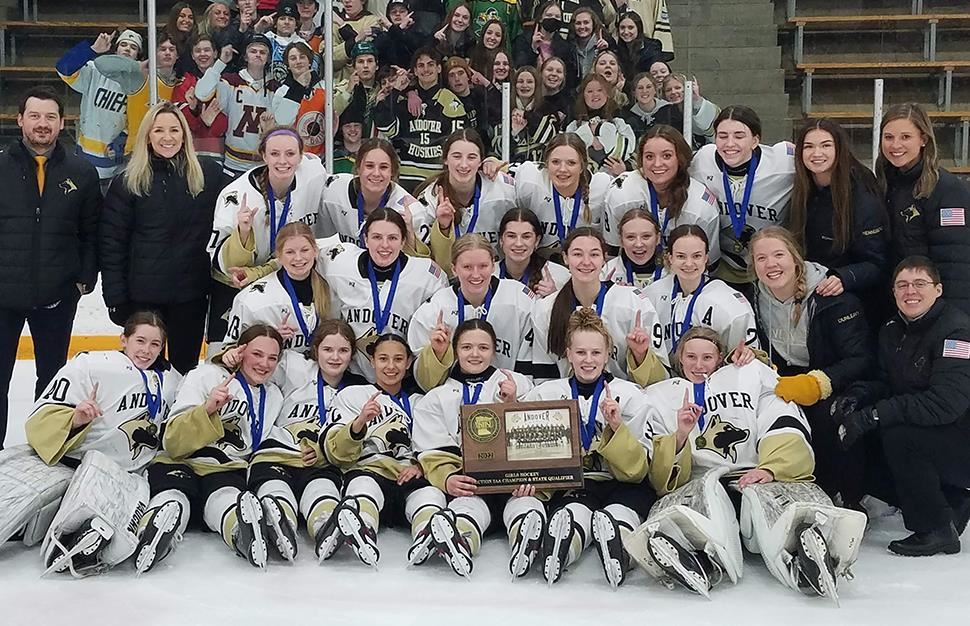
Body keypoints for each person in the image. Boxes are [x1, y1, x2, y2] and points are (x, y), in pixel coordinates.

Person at [630, 326, 865, 602]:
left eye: (707, 357)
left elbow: (779, 413)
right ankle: (692, 556)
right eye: (691, 356)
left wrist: (771, 467)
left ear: (720, 357)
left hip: (755, 475)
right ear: (679, 358)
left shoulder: (746, 376)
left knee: (782, 502)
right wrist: (681, 435)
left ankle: (810, 548)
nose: (698, 364)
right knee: (691, 506)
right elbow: (659, 475)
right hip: (700, 480)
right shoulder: (664, 395)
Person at [23, 313, 179, 575]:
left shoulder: (172, 380)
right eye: (140, 341)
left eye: (155, 344)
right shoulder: (92, 367)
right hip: (80, 466)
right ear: (123, 339)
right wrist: (75, 418)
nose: (147, 350)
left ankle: (97, 536)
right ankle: (72, 535)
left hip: (132, 474)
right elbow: (38, 421)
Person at [834, 256, 970, 556]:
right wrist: (858, 396)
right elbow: (886, 382)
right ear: (893, 292)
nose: (911, 291)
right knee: (863, 442)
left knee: (899, 438)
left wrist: (874, 415)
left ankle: (935, 529)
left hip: (960, 435)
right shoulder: (892, 329)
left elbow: (946, 404)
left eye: (920, 284)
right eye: (903, 285)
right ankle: (950, 500)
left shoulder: (957, 333)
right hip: (934, 433)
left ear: (938, 289)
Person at [132, 325, 286, 572]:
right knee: (173, 495)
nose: (264, 364)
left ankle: (241, 532)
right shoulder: (206, 376)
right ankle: (154, 531)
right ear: (240, 351)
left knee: (225, 497)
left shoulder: (274, 396)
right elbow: (173, 441)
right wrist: (207, 409)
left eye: (272, 358)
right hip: (180, 462)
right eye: (257, 354)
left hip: (225, 469)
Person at [522, 308, 655, 587]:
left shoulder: (631, 395)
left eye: (596, 353)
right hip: (575, 484)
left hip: (622, 483)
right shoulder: (544, 395)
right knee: (572, 512)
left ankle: (620, 551)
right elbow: (522, 449)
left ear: (608, 355)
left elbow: (639, 470)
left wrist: (617, 428)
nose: (588, 360)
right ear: (568, 354)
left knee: (618, 513)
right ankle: (561, 550)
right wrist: (526, 478)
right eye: (581, 353)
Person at [0, 87, 100, 450]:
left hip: (57, 297)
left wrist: (83, 281)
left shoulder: (82, 172)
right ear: (20, 120)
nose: (42, 124)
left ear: (62, 123)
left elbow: (92, 233)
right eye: (35, 116)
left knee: (53, 380)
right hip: (4, 297)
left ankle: (44, 450)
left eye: (50, 117)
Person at [750, 227, 872, 509]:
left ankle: (846, 497)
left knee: (826, 417)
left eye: (778, 255)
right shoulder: (753, 297)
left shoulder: (832, 297)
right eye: (761, 258)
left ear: (795, 258)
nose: (771, 264)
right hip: (786, 379)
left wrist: (819, 383)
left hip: (835, 378)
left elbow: (861, 359)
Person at [100, 102, 222, 375]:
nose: (167, 137)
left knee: (183, 374)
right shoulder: (128, 181)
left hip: (190, 297)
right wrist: (115, 297)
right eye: (159, 130)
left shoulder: (208, 176)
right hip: (142, 298)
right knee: (141, 373)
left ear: (184, 135)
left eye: (174, 130)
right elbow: (111, 244)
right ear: (148, 136)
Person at [409, 319, 533, 576]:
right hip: (469, 484)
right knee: (466, 507)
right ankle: (460, 541)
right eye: (466, 347)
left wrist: (514, 405)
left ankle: (529, 541)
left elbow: (537, 436)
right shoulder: (437, 396)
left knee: (526, 505)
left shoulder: (518, 384)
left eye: (483, 347)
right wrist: (448, 479)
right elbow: (432, 450)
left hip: (512, 483)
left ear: (495, 351)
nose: (475, 354)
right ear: (455, 350)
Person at [241, 319, 368, 561]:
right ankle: (279, 520)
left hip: (321, 464)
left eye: (343, 350)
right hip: (277, 454)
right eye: (328, 349)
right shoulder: (294, 368)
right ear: (315, 350)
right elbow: (255, 364)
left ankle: (326, 524)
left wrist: (323, 451)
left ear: (352, 354)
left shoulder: (359, 391)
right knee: (274, 487)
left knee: (323, 489)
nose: (335, 357)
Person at [209, 128, 327, 353]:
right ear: (263, 156)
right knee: (224, 358)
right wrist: (243, 234)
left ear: (301, 156)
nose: (283, 161)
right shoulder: (235, 196)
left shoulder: (313, 175)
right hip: (235, 289)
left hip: (287, 282)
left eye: (290, 154)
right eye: (274, 154)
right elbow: (225, 267)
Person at [319, 334, 430, 567]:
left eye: (398, 359)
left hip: (407, 478)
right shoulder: (352, 395)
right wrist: (359, 423)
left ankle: (428, 534)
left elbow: (435, 444)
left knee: (430, 496)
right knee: (363, 486)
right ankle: (362, 528)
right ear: (372, 361)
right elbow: (335, 452)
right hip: (368, 472)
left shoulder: (422, 402)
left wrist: (421, 465)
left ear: (409, 363)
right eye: (383, 359)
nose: (391, 366)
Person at [317, 209, 449, 380]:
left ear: (403, 241)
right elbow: (300, 250)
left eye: (392, 238)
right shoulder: (339, 261)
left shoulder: (427, 276)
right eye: (377, 237)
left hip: (400, 378)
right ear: (365, 239)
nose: (384, 245)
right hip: (349, 375)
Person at [532, 228, 667, 384]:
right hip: (570, 402)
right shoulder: (545, 309)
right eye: (577, 254)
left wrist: (640, 355)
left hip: (624, 399)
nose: (586, 261)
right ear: (565, 258)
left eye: (594, 254)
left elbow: (660, 381)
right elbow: (544, 377)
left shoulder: (633, 302)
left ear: (604, 259)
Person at [876, 103, 970, 316]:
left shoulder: (947, 189)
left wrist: (953, 321)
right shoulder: (884, 184)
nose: (895, 145)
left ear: (923, 140)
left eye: (906, 137)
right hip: (901, 304)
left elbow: (956, 264)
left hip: (936, 311)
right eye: (888, 137)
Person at [408, 234, 536, 390]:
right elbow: (425, 383)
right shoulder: (435, 309)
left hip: (504, 398)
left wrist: (517, 392)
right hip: (455, 401)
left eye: (483, 266)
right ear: (454, 269)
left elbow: (531, 367)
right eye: (467, 267)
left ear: (493, 266)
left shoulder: (519, 300)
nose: (476, 274)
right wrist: (436, 354)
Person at [689, 105, 795, 291]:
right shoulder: (701, 160)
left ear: (755, 140)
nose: (729, 143)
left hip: (769, 268)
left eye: (739, 136)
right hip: (719, 269)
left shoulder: (783, 163)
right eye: (722, 136)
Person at [789, 118, 888, 305]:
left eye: (825, 145)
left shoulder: (861, 193)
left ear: (839, 149)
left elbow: (877, 264)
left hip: (855, 299)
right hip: (814, 289)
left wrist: (845, 277)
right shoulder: (802, 187)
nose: (816, 153)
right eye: (809, 146)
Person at [603, 125, 720, 262]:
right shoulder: (621, 194)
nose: (657, 164)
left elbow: (709, 263)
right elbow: (612, 251)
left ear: (680, 158)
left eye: (666, 156)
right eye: (649, 156)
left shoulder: (701, 207)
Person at [487, 132, 609, 257]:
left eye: (571, 163)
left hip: (583, 265)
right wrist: (490, 161)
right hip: (537, 266)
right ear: (546, 163)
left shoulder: (602, 187)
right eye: (555, 162)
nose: (562, 169)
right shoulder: (531, 178)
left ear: (582, 166)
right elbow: (500, 167)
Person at [645, 225, 757, 360]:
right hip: (665, 378)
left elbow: (745, 356)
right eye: (681, 256)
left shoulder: (729, 303)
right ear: (670, 258)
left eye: (696, 256)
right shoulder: (652, 295)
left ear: (706, 258)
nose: (689, 263)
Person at [415, 129, 516, 273]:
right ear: (445, 159)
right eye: (457, 156)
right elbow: (428, 260)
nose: (464, 164)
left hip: (496, 277)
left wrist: (500, 164)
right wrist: (442, 229)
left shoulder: (502, 187)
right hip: (451, 280)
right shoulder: (430, 198)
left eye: (471, 157)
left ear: (481, 160)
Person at [225, 223, 333, 353]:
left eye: (305, 250)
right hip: (274, 371)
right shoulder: (252, 299)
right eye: (290, 252)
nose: (298, 258)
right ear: (279, 256)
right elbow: (232, 349)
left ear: (315, 251)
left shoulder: (331, 286)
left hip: (317, 371)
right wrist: (271, 339)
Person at [374, 46, 469, 192]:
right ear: (415, 71)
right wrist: (397, 91)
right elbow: (385, 126)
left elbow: (458, 144)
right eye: (421, 65)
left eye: (430, 64)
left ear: (438, 68)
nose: (426, 69)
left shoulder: (451, 101)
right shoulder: (402, 99)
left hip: (437, 180)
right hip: (405, 180)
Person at [56, 29, 141, 187]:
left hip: (117, 166)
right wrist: (92, 50)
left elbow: (139, 118)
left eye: (133, 47)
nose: (128, 49)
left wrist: (124, 138)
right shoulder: (95, 70)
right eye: (123, 44)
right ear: (116, 49)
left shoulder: (140, 82)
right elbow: (63, 68)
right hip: (85, 160)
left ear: (138, 55)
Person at [317, 137, 429, 250]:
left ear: (393, 171)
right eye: (369, 166)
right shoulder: (333, 190)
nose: (376, 173)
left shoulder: (411, 211)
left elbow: (424, 260)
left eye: (383, 167)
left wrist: (410, 235)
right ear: (358, 168)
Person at [195, 33, 279, 177]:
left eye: (263, 52)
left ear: (268, 58)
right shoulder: (230, 81)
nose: (258, 55)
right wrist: (220, 63)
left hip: (264, 165)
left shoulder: (276, 88)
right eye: (253, 51)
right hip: (233, 163)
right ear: (245, 56)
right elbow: (201, 93)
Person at [93, 33, 180, 157]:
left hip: (168, 150)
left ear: (177, 56)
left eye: (171, 50)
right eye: (162, 49)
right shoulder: (139, 77)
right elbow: (100, 63)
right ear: (154, 53)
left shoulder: (180, 83)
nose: (167, 53)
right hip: (137, 152)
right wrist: (136, 65)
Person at [173, 34, 229, 164]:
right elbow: (179, 123)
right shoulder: (184, 84)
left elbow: (225, 124)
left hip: (218, 154)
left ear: (215, 53)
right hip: (188, 155)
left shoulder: (225, 84)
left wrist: (209, 124)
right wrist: (195, 113)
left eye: (207, 50)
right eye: (198, 51)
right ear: (192, 56)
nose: (202, 54)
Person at [564, 74, 635, 176]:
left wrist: (624, 168)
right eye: (590, 91)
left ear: (607, 93)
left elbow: (632, 151)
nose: (595, 94)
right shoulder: (574, 124)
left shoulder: (619, 120)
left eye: (599, 90)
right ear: (583, 95)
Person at [493, 208, 571, 294]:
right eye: (511, 236)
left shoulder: (560, 276)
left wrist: (554, 297)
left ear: (537, 241)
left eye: (526, 237)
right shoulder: (488, 275)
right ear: (501, 240)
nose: (519, 243)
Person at [272, 41, 328, 154]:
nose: (298, 61)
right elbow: (282, 123)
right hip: (294, 154)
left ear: (309, 61)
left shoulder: (325, 86)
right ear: (287, 64)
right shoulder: (281, 92)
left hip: (322, 155)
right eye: (293, 58)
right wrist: (297, 89)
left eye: (302, 57)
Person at [601, 208, 664, 288]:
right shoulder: (607, 272)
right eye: (631, 237)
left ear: (658, 238)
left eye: (646, 236)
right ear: (621, 241)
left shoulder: (674, 272)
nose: (638, 244)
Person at [654, 74, 720, 150]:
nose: (673, 92)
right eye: (668, 90)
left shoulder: (700, 105)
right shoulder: (663, 112)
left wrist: (696, 100)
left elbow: (709, 127)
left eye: (677, 88)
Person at [620, 72, 668, 138]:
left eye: (648, 87)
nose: (644, 91)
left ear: (655, 90)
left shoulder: (669, 110)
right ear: (634, 92)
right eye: (640, 88)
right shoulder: (628, 117)